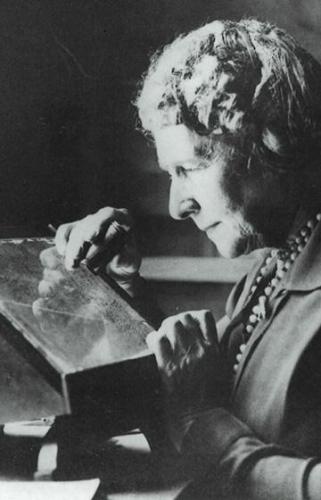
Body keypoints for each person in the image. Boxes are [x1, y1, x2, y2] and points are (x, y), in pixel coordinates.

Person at [45, 18, 321, 499]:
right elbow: (199, 435)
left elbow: (210, 435)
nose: (177, 206)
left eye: (190, 169)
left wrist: (203, 423)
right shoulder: (270, 271)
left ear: (273, 145)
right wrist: (123, 300)